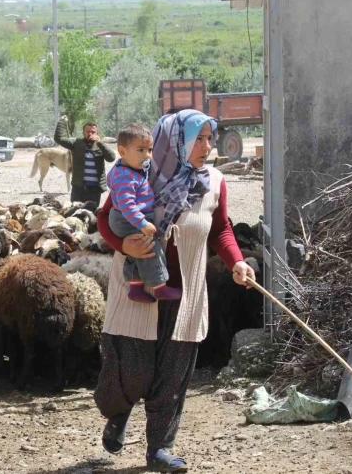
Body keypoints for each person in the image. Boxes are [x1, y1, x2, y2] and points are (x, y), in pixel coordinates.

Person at [94, 109, 256, 473]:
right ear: (175, 140)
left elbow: (221, 230)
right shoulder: (141, 170)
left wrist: (236, 263)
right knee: (132, 369)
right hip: (139, 285)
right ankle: (119, 411)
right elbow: (106, 219)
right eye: (198, 138)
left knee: (173, 372)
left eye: (209, 138)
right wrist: (124, 245)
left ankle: (160, 449)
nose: (207, 146)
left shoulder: (213, 181)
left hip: (185, 291)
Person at [106, 123, 181, 303]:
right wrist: (143, 224)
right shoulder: (126, 177)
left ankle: (135, 287)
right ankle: (160, 287)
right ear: (122, 152)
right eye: (140, 150)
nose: (147, 155)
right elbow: (127, 206)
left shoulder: (131, 170)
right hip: (128, 219)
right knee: (150, 248)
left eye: (149, 150)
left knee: (136, 252)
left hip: (126, 218)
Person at [53, 115, 116, 204]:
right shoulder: (76, 143)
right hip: (78, 188)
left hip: (95, 189)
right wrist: (62, 122)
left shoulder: (100, 146)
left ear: (97, 133)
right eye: (87, 131)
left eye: (93, 132)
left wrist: (100, 143)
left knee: (92, 214)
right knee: (75, 213)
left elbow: (111, 158)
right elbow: (59, 139)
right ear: (83, 132)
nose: (90, 134)